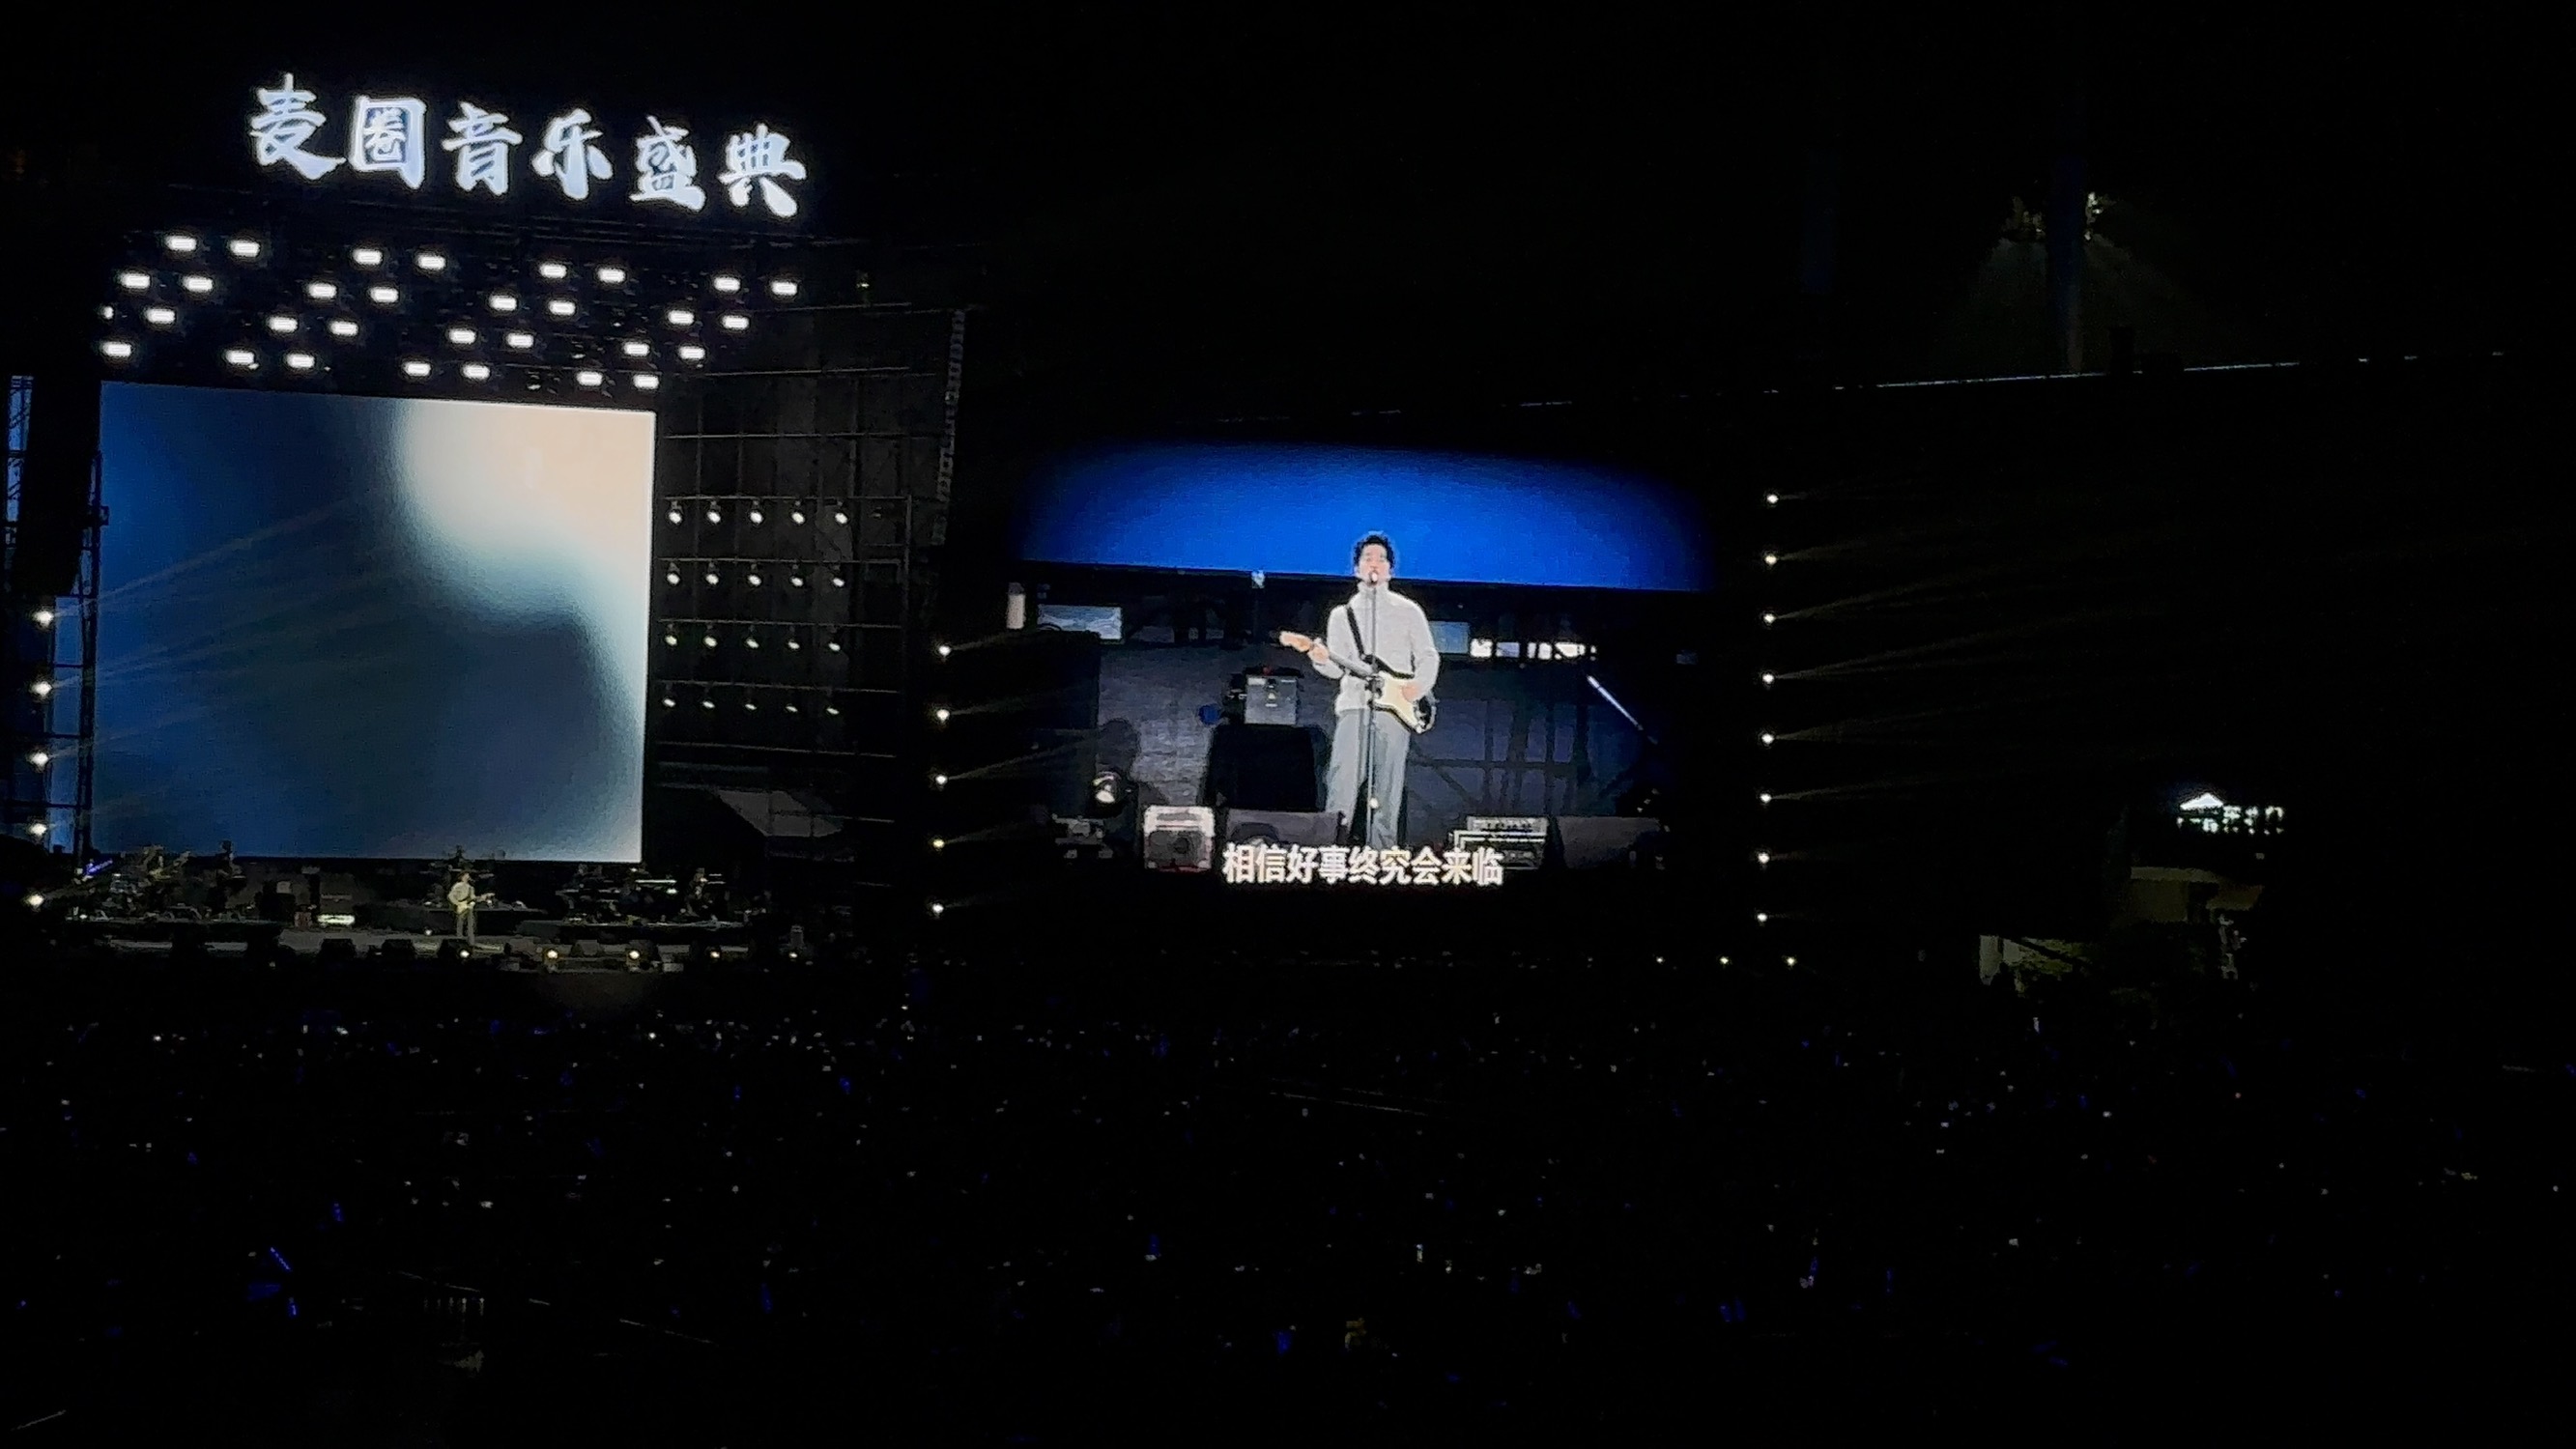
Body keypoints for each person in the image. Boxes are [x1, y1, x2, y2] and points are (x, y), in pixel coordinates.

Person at [1298, 532, 1439, 851]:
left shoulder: (1409, 610)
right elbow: (1337, 669)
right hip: (1354, 704)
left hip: (1396, 707)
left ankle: (1382, 853)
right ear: (1356, 569)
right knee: (1342, 779)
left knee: (1388, 785)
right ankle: (1333, 849)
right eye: (1367, 559)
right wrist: (1319, 658)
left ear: (1390, 570)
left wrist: (1417, 687)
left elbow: (1428, 655)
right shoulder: (1342, 615)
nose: (1374, 564)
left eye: (1381, 559)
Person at [447, 872, 478, 949]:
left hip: (469, 907)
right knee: (460, 923)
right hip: (461, 906)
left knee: (471, 924)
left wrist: (473, 902)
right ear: (462, 877)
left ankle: (471, 942)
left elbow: (473, 897)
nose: (468, 877)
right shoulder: (457, 886)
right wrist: (457, 903)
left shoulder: (470, 887)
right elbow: (451, 896)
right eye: (466, 875)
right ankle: (459, 939)